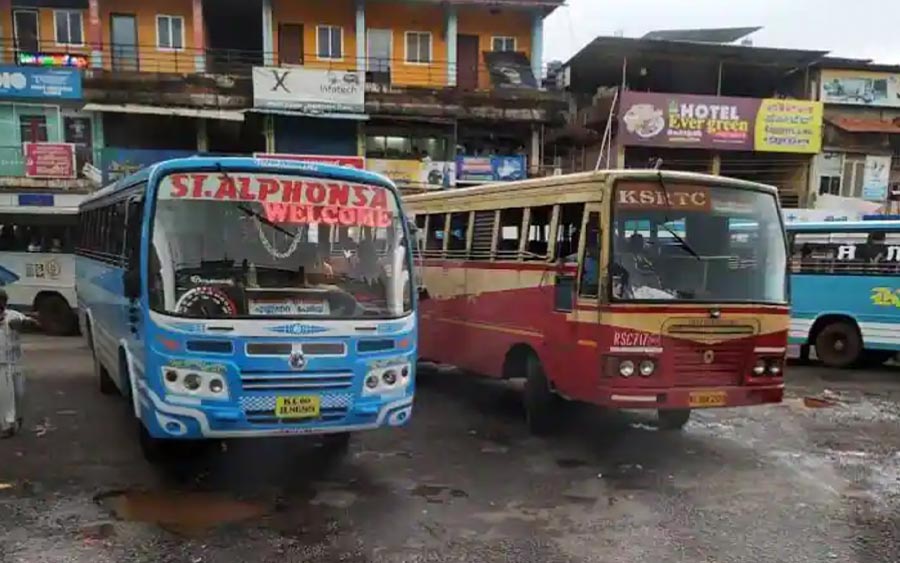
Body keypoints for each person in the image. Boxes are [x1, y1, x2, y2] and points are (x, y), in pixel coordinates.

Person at [0, 289, 39, 438]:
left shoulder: (13, 316)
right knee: (4, 396)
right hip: (1, 365)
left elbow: (35, 324)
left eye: (2, 303)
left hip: (16, 362)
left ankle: (17, 417)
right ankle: (7, 425)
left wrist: (24, 324)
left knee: (19, 393)